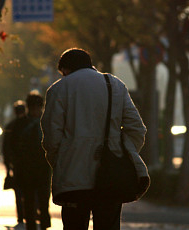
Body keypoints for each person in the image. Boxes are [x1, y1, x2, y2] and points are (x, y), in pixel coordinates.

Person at [41, 48, 150, 230]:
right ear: (89, 64)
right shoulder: (114, 85)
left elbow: (52, 136)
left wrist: (60, 161)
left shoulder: (59, 89)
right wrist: (121, 152)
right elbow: (137, 129)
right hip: (111, 176)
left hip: (72, 177)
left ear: (65, 69)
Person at [15, 92, 52, 230]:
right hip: (35, 169)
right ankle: (38, 225)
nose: (36, 111)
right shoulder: (46, 122)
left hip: (34, 169)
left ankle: (42, 224)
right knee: (33, 202)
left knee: (39, 202)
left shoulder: (22, 124)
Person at [2, 100, 26, 225]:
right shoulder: (28, 125)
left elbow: (6, 148)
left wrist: (7, 166)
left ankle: (21, 215)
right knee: (28, 190)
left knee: (18, 191)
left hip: (16, 164)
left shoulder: (11, 126)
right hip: (27, 164)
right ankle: (28, 212)